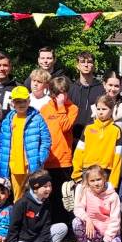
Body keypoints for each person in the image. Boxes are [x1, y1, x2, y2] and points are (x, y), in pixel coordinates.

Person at [7, 170, 68, 242]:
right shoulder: (22, 203)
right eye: (45, 186)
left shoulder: (46, 202)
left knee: (62, 227)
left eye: (50, 185)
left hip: (38, 238)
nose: (49, 189)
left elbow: (46, 227)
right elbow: (13, 227)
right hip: (24, 240)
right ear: (35, 188)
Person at [0, 86, 51, 201]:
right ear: (12, 103)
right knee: (17, 197)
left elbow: (46, 140)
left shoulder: (37, 118)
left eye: (24, 101)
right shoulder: (7, 120)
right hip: (14, 166)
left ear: (29, 101)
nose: (21, 104)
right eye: (18, 101)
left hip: (32, 166)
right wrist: (4, 163)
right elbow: (3, 144)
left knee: (36, 197)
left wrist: (40, 159)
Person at [39, 77, 78, 224]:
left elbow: (66, 127)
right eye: (57, 93)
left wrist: (61, 106)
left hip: (64, 161)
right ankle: (51, 226)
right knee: (49, 196)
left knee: (64, 196)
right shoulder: (45, 108)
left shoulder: (72, 108)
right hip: (48, 159)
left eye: (64, 92)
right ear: (52, 93)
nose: (61, 96)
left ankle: (66, 227)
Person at [72, 165, 122, 242]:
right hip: (93, 232)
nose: (96, 183)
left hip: (109, 234)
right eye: (92, 181)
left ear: (104, 178)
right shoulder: (86, 192)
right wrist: (88, 220)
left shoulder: (113, 196)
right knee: (76, 222)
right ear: (88, 182)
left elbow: (115, 221)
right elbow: (78, 208)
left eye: (98, 179)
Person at [72, 95, 122, 187]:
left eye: (104, 109)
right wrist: (76, 174)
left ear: (112, 110)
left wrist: (113, 182)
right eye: (98, 109)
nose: (100, 112)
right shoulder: (88, 128)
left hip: (106, 172)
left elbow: (118, 158)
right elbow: (79, 152)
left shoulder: (116, 130)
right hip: (87, 171)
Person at [93, 70, 122, 157]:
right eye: (110, 85)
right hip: (101, 152)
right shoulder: (96, 104)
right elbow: (92, 130)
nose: (113, 89)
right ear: (104, 84)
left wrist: (117, 150)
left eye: (116, 86)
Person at [69, 51, 105, 145]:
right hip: (73, 138)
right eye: (82, 62)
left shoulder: (101, 89)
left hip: (94, 137)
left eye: (89, 62)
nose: (86, 65)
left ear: (94, 65)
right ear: (77, 65)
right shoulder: (71, 89)